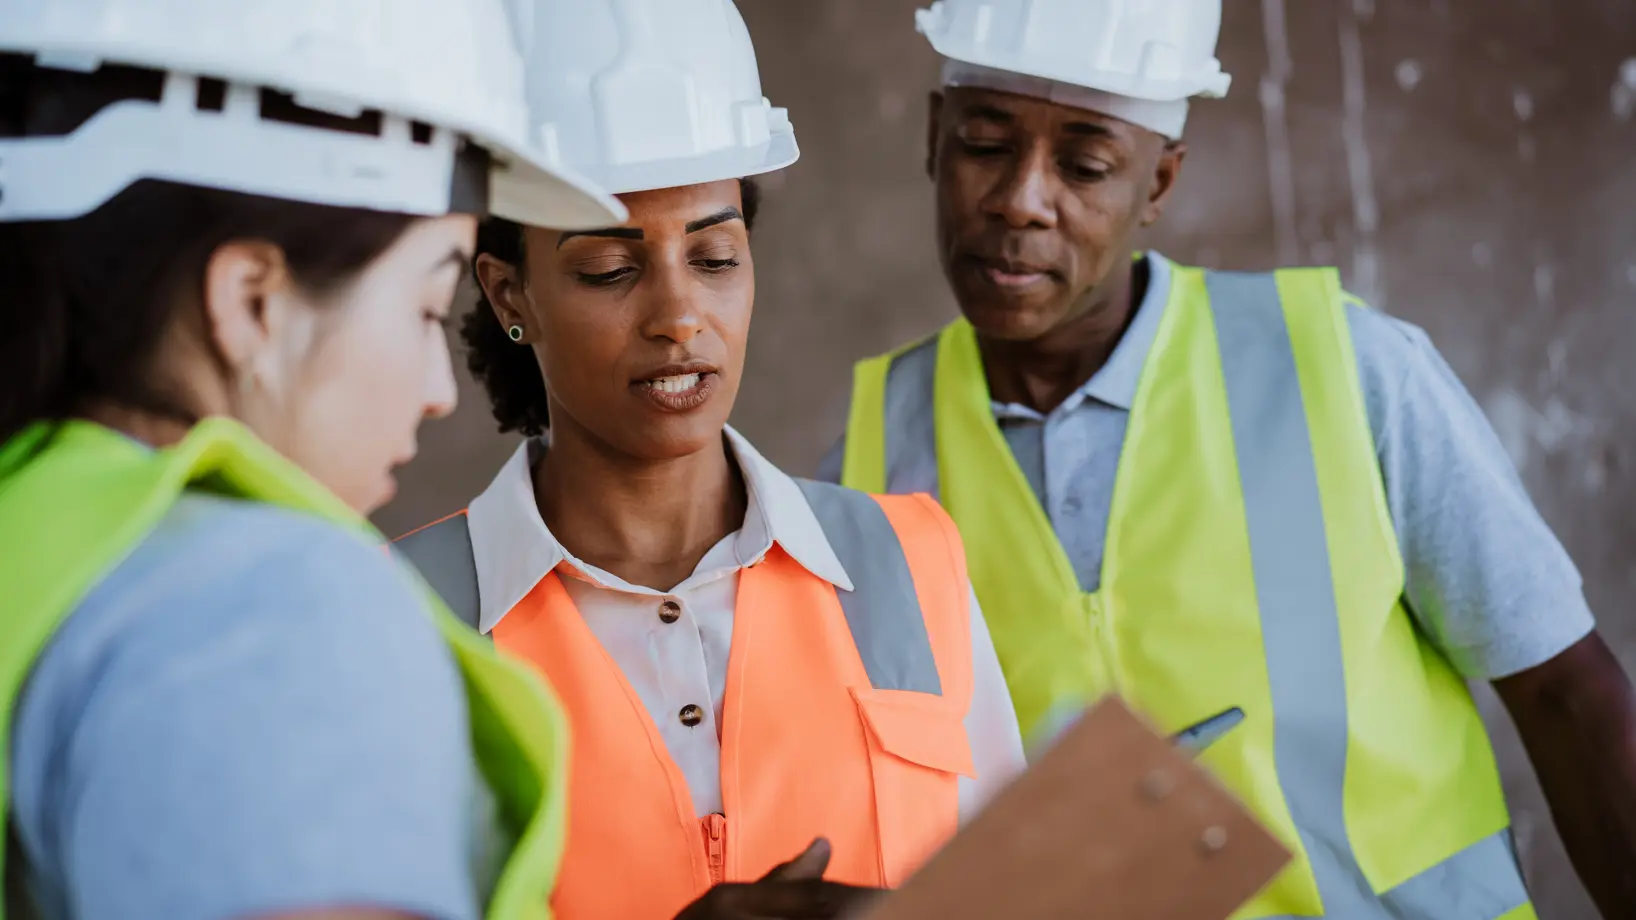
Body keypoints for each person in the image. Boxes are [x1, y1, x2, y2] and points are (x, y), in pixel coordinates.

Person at [0, 3, 862, 919]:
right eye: (423, 306)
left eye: (717, 255)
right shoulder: (269, 608)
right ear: (251, 302)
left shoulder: (44, 532)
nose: (435, 388)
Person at [819, 0, 1636, 917]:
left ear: (1159, 183)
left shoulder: (1345, 368)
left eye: (1086, 166)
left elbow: (1567, 692)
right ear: (934, 137)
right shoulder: (867, 462)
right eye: (983, 142)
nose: (1021, 198)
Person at [392, 2, 1026, 918]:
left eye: (717, 256)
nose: (679, 317)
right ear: (508, 292)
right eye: (610, 269)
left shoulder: (910, 566)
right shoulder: (400, 621)